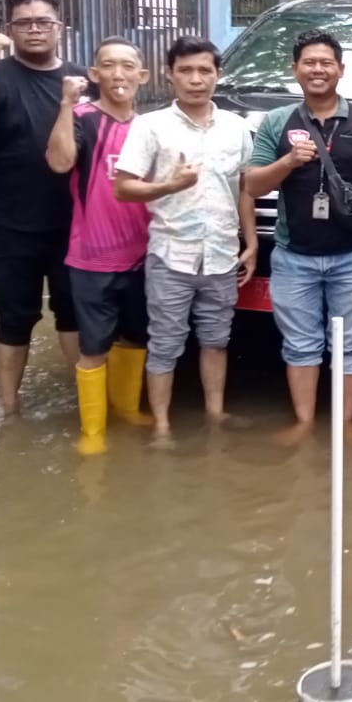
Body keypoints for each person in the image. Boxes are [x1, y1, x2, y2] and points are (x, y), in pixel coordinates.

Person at [243, 30, 352, 440]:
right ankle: (303, 425)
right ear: (295, 70)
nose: (318, 69)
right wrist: (289, 162)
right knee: (300, 344)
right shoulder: (277, 123)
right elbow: (253, 185)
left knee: (351, 343)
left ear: (340, 70)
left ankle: (345, 426)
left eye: (326, 62)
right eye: (309, 62)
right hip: (294, 256)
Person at [0, 0, 85, 412]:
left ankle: (87, 403)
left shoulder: (81, 80)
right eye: (24, 23)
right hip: (7, 224)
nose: (35, 30)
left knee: (75, 314)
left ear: (60, 28)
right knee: (13, 319)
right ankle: (9, 412)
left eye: (43, 22)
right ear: (10, 29)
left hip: (73, 224)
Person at [113, 37, 257, 442]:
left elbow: (244, 188)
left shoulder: (235, 127)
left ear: (218, 75)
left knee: (217, 339)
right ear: (169, 74)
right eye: (186, 71)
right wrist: (169, 185)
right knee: (165, 344)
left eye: (205, 71)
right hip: (171, 254)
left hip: (221, 255)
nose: (196, 80)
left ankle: (215, 414)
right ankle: (161, 425)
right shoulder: (150, 126)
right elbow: (123, 188)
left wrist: (251, 242)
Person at [46, 37, 154, 455]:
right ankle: (92, 432)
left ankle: (126, 408)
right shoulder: (82, 118)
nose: (118, 74)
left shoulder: (151, 126)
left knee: (135, 338)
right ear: (94, 75)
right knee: (93, 347)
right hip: (92, 257)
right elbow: (58, 162)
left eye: (128, 66)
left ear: (142, 76)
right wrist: (65, 105)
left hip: (144, 256)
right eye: (108, 65)